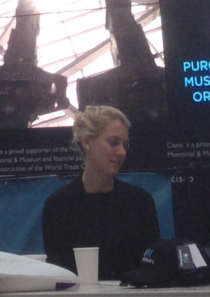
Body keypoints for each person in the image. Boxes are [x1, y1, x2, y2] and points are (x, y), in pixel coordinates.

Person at [42, 104, 160, 279]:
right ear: (87, 142)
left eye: (125, 145)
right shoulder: (58, 206)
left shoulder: (140, 203)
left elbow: (152, 270)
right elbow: (59, 274)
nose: (121, 152)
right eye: (113, 143)